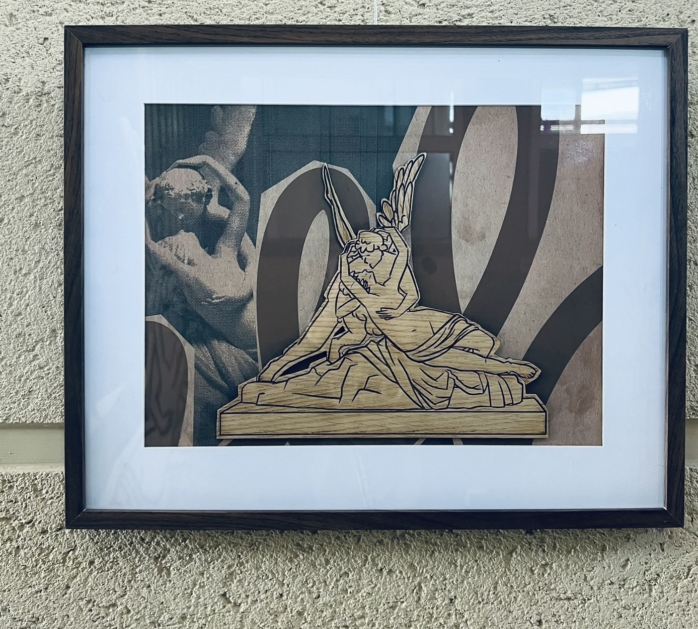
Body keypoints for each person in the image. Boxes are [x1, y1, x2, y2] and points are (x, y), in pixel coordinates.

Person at [241, 156, 539, 414]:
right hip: (406, 344)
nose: (361, 245)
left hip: (423, 334)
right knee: (459, 360)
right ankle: (507, 368)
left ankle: (506, 369)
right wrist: (277, 367)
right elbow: (313, 341)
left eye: (368, 245)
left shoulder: (378, 279)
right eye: (361, 246)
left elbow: (387, 249)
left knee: (464, 357)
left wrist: (391, 221)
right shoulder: (355, 285)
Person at [145, 155, 258, 442]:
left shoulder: (211, 260)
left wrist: (141, 203)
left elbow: (149, 246)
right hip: (252, 340)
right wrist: (206, 161)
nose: (181, 226)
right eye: (175, 214)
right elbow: (243, 199)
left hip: (258, 338)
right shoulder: (221, 255)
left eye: (183, 212)